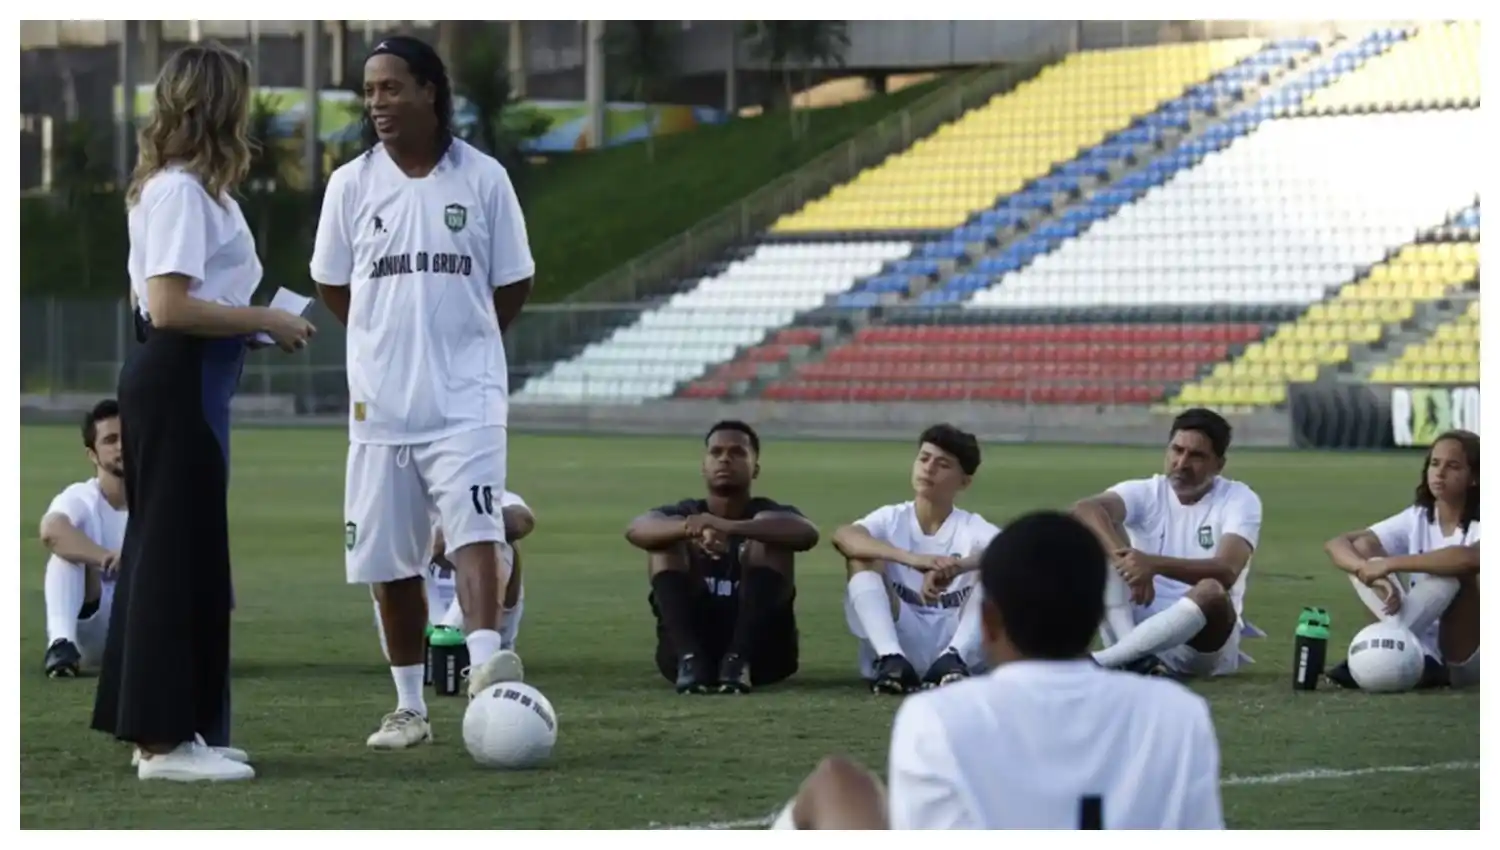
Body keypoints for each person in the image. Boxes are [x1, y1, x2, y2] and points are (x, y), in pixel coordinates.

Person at [91, 43, 314, 783]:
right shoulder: (181, 191)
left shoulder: (197, 190)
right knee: (169, 555)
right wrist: (264, 317)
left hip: (196, 377)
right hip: (176, 378)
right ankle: (161, 743)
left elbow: (190, 302)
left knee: (186, 555)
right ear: (220, 105)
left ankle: (182, 726)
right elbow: (168, 305)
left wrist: (255, 326)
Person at [311, 35, 535, 751]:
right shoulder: (350, 185)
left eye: (391, 87)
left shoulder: (485, 179)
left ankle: (485, 673)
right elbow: (331, 283)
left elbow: (515, 281)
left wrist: (464, 343)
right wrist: (384, 338)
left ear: (430, 92)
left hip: (466, 399)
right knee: (390, 563)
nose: (377, 102)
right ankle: (410, 708)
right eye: (369, 90)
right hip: (380, 407)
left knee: (476, 527)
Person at [771, 511, 1224, 829]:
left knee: (835, 782)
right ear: (1094, 622)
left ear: (987, 622)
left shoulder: (935, 717)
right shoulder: (1180, 716)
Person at [625, 421, 818, 694]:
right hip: (687, 650)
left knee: (770, 537)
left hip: (763, 658)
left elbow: (807, 533)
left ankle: (738, 661)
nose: (725, 458)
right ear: (704, 466)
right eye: (716, 452)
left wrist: (728, 527)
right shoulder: (686, 512)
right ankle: (690, 660)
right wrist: (690, 530)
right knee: (665, 542)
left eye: (737, 452)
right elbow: (636, 530)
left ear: (756, 469)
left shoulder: (769, 511)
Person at [1071, 407, 1264, 678]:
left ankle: (1106, 660)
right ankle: (1133, 657)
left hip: (1200, 642)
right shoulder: (1147, 491)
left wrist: (1152, 565)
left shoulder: (1239, 499)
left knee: (1211, 590)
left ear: (1219, 464)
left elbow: (1227, 571)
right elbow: (1085, 509)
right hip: (1134, 623)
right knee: (1088, 550)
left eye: (1196, 456)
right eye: (1177, 450)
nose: (1182, 463)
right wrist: (1125, 561)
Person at [830, 424, 999, 694]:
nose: (928, 468)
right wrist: (912, 559)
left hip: (954, 638)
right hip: (902, 634)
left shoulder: (970, 526)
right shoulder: (892, 518)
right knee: (862, 557)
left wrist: (957, 567)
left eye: (942, 464)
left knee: (999, 568)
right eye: (924, 458)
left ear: (964, 482)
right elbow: (844, 536)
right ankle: (892, 660)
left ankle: (955, 658)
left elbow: (1014, 549)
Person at [1323, 429, 1480, 689]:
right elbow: (1337, 544)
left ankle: (1375, 652)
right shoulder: (1418, 516)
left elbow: (1470, 558)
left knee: (1454, 572)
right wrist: (1368, 570)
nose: (1439, 473)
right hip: (1417, 641)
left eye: (1453, 466)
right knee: (1363, 546)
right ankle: (1396, 651)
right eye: (1434, 463)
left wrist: (1389, 564)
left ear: (1474, 477)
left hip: (1468, 654)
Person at [369, 490, 534, 675]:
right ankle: (420, 642)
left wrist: (458, 535)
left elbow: (523, 521)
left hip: (482, 620)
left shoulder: (479, 490)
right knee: (385, 546)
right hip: (418, 619)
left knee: (501, 546)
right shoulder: (402, 497)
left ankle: (469, 643)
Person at [39, 401, 126, 678]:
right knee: (64, 554)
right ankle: (62, 645)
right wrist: (104, 557)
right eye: (111, 440)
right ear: (92, 454)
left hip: (148, 621)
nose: (122, 446)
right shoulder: (81, 497)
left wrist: (137, 558)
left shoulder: (161, 498)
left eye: (129, 436)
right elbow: (51, 530)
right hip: (97, 626)